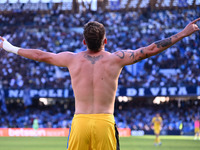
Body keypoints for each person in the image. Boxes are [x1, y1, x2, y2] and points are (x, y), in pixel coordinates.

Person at [0, 18, 200, 150]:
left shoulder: (71, 59)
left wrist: (8, 46)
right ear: (106, 40)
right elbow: (150, 49)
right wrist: (182, 34)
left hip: (79, 123)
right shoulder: (117, 59)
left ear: (84, 42)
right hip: (105, 123)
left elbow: (39, 54)